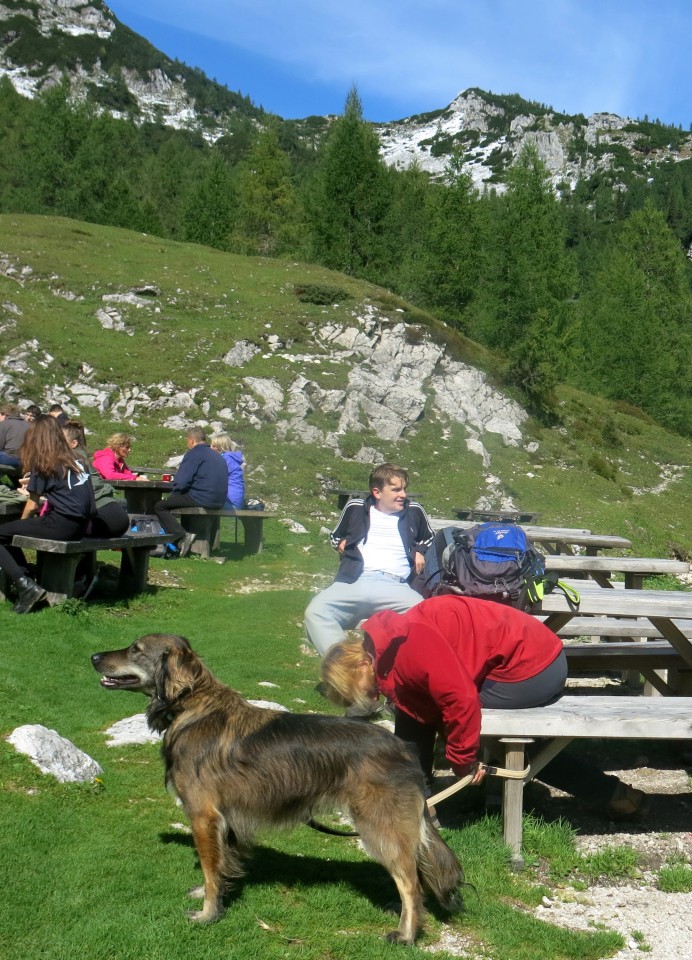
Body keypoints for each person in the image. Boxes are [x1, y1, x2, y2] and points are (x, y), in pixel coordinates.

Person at [321, 594, 649, 820]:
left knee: (501, 739)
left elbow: (460, 699)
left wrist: (462, 762)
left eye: (355, 692)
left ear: (362, 664)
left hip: (534, 667)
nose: (363, 700)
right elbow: (417, 714)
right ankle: (416, 803)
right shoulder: (388, 645)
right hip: (523, 659)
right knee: (414, 715)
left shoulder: (408, 648)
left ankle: (612, 794)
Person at [304, 463, 433, 659]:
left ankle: (395, 672)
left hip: (395, 585)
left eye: (404, 489)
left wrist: (419, 551)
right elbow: (335, 536)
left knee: (428, 619)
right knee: (316, 612)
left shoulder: (414, 510)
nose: (403, 495)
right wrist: (341, 543)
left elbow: (428, 538)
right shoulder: (355, 507)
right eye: (396, 489)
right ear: (377, 492)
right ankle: (347, 666)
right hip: (354, 580)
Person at [0, 415, 96, 613]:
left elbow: (32, 505)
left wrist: (21, 526)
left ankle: (24, 585)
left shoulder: (45, 461)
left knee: (2, 533)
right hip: (80, 526)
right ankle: (25, 579)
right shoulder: (77, 460)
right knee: (8, 533)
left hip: (60, 524)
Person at [153, 426, 228, 557]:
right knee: (182, 502)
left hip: (202, 498)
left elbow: (182, 481)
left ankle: (181, 535)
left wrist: (173, 494)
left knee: (160, 506)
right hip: (219, 500)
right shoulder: (218, 456)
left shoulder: (194, 453)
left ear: (192, 440)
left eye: (188, 441)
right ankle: (184, 546)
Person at [62, 421, 130, 537]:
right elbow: (111, 475)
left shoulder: (72, 460)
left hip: (104, 518)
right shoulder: (103, 458)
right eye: (126, 447)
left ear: (73, 443)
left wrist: (135, 477)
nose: (129, 450)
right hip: (111, 514)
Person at [210, 432, 245, 509]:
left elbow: (214, 479)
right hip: (235, 501)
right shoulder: (230, 458)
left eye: (214, 446)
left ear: (220, 447)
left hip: (231, 503)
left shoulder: (225, 459)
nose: (211, 448)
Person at [0, 402, 30, 469]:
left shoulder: (4, 424)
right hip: (27, 459)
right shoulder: (28, 425)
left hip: (10, 457)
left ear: (5, 414)